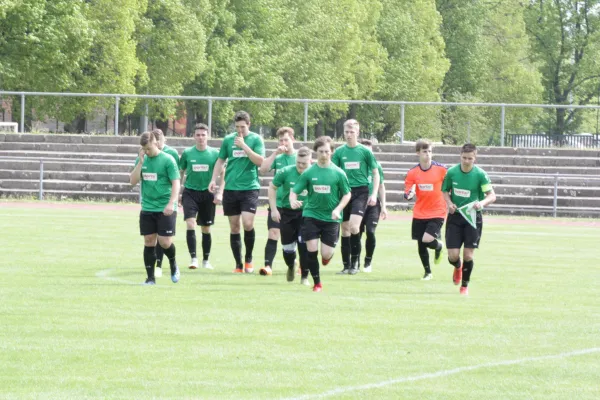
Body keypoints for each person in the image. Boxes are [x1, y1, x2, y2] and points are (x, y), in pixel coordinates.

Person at [291, 136, 351, 292]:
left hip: (331, 218)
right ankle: (317, 283)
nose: (324, 154)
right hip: (311, 215)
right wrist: (293, 200)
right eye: (320, 151)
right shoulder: (309, 172)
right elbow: (294, 190)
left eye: (327, 151)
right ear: (316, 152)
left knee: (326, 253)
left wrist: (338, 209)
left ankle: (326, 258)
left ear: (331, 152)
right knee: (311, 249)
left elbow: (347, 194)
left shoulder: (338, 173)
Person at [209, 111, 265, 273]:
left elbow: (260, 162)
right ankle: (238, 264)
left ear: (249, 124)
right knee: (234, 227)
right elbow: (220, 160)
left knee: (248, 223)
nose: (240, 130)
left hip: (249, 188)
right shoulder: (228, 140)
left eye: (243, 127)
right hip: (231, 188)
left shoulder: (255, 139)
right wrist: (213, 179)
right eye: (237, 127)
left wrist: (244, 146)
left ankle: (249, 258)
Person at [442, 143, 496, 295]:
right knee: (452, 255)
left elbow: (492, 196)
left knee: (468, 254)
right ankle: (457, 266)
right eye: (464, 158)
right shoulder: (452, 172)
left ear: (475, 158)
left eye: (470, 159)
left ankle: (464, 286)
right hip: (455, 217)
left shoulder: (480, 175)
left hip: (472, 217)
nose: (466, 161)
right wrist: (449, 203)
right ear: (460, 156)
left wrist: (482, 203)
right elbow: (445, 191)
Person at [129, 131, 181, 285]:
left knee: (165, 242)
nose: (147, 152)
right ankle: (150, 278)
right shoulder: (141, 160)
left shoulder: (168, 160)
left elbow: (176, 183)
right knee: (149, 240)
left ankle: (173, 264)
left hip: (165, 206)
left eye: (149, 149)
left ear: (156, 143)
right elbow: (132, 181)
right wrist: (140, 163)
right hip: (148, 207)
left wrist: (171, 203)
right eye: (144, 149)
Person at [332, 119, 379, 275]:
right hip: (344, 192)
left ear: (357, 133)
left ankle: (355, 263)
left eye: (352, 132)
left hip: (361, 191)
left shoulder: (365, 151)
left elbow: (375, 172)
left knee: (354, 227)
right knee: (344, 229)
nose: (349, 134)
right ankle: (346, 265)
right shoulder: (339, 152)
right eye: (346, 132)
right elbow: (334, 172)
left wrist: (373, 194)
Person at [178, 123, 224, 270]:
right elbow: (180, 172)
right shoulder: (187, 153)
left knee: (206, 228)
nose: (200, 137)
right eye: (198, 135)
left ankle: (206, 260)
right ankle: (193, 259)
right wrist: (179, 192)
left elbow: (223, 173)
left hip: (207, 193)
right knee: (190, 223)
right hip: (190, 192)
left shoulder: (215, 154)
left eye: (203, 135)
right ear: (193, 136)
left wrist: (219, 192)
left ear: (208, 136)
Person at [403, 139, 448, 280]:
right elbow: (407, 191)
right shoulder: (412, 172)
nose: (427, 154)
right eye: (424, 151)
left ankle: (438, 245)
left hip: (438, 211)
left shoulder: (441, 169)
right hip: (420, 212)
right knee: (421, 244)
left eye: (429, 151)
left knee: (427, 239)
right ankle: (427, 272)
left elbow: (449, 185)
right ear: (418, 153)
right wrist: (409, 195)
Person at [267, 146, 312, 284]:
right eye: (298, 162)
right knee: (287, 248)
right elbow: (272, 187)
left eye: (304, 163)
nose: (300, 166)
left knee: (304, 245)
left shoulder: (315, 173)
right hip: (287, 213)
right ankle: (292, 265)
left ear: (310, 161)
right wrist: (274, 209)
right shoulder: (285, 172)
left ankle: (305, 276)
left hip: (307, 214)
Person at [259, 127, 297, 276]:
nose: (283, 143)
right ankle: (268, 266)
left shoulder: (300, 158)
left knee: (296, 237)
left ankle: (299, 264)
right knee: (273, 233)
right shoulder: (278, 158)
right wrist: (275, 153)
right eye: (281, 140)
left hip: (295, 205)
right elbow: (263, 169)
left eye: (286, 139)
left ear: (293, 139)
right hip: (278, 203)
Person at [150, 129, 180, 277]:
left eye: (160, 141)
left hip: (168, 201)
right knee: (154, 237)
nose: (158, 144)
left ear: (164, 140)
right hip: (153, 204)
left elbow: (177, 176)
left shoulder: (171, 154)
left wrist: (174, 199)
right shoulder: (148, 154)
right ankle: (158, 265)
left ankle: (167, 263)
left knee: (164, 239)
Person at [356, 138, 388, 273]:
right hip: (357, 202)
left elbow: (381, 186)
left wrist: (384, 206)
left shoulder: (376, 166)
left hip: (373, 205)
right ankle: (355, 260)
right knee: (356, 233)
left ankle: (368, 261)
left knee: (370, 231)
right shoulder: (356, 165)